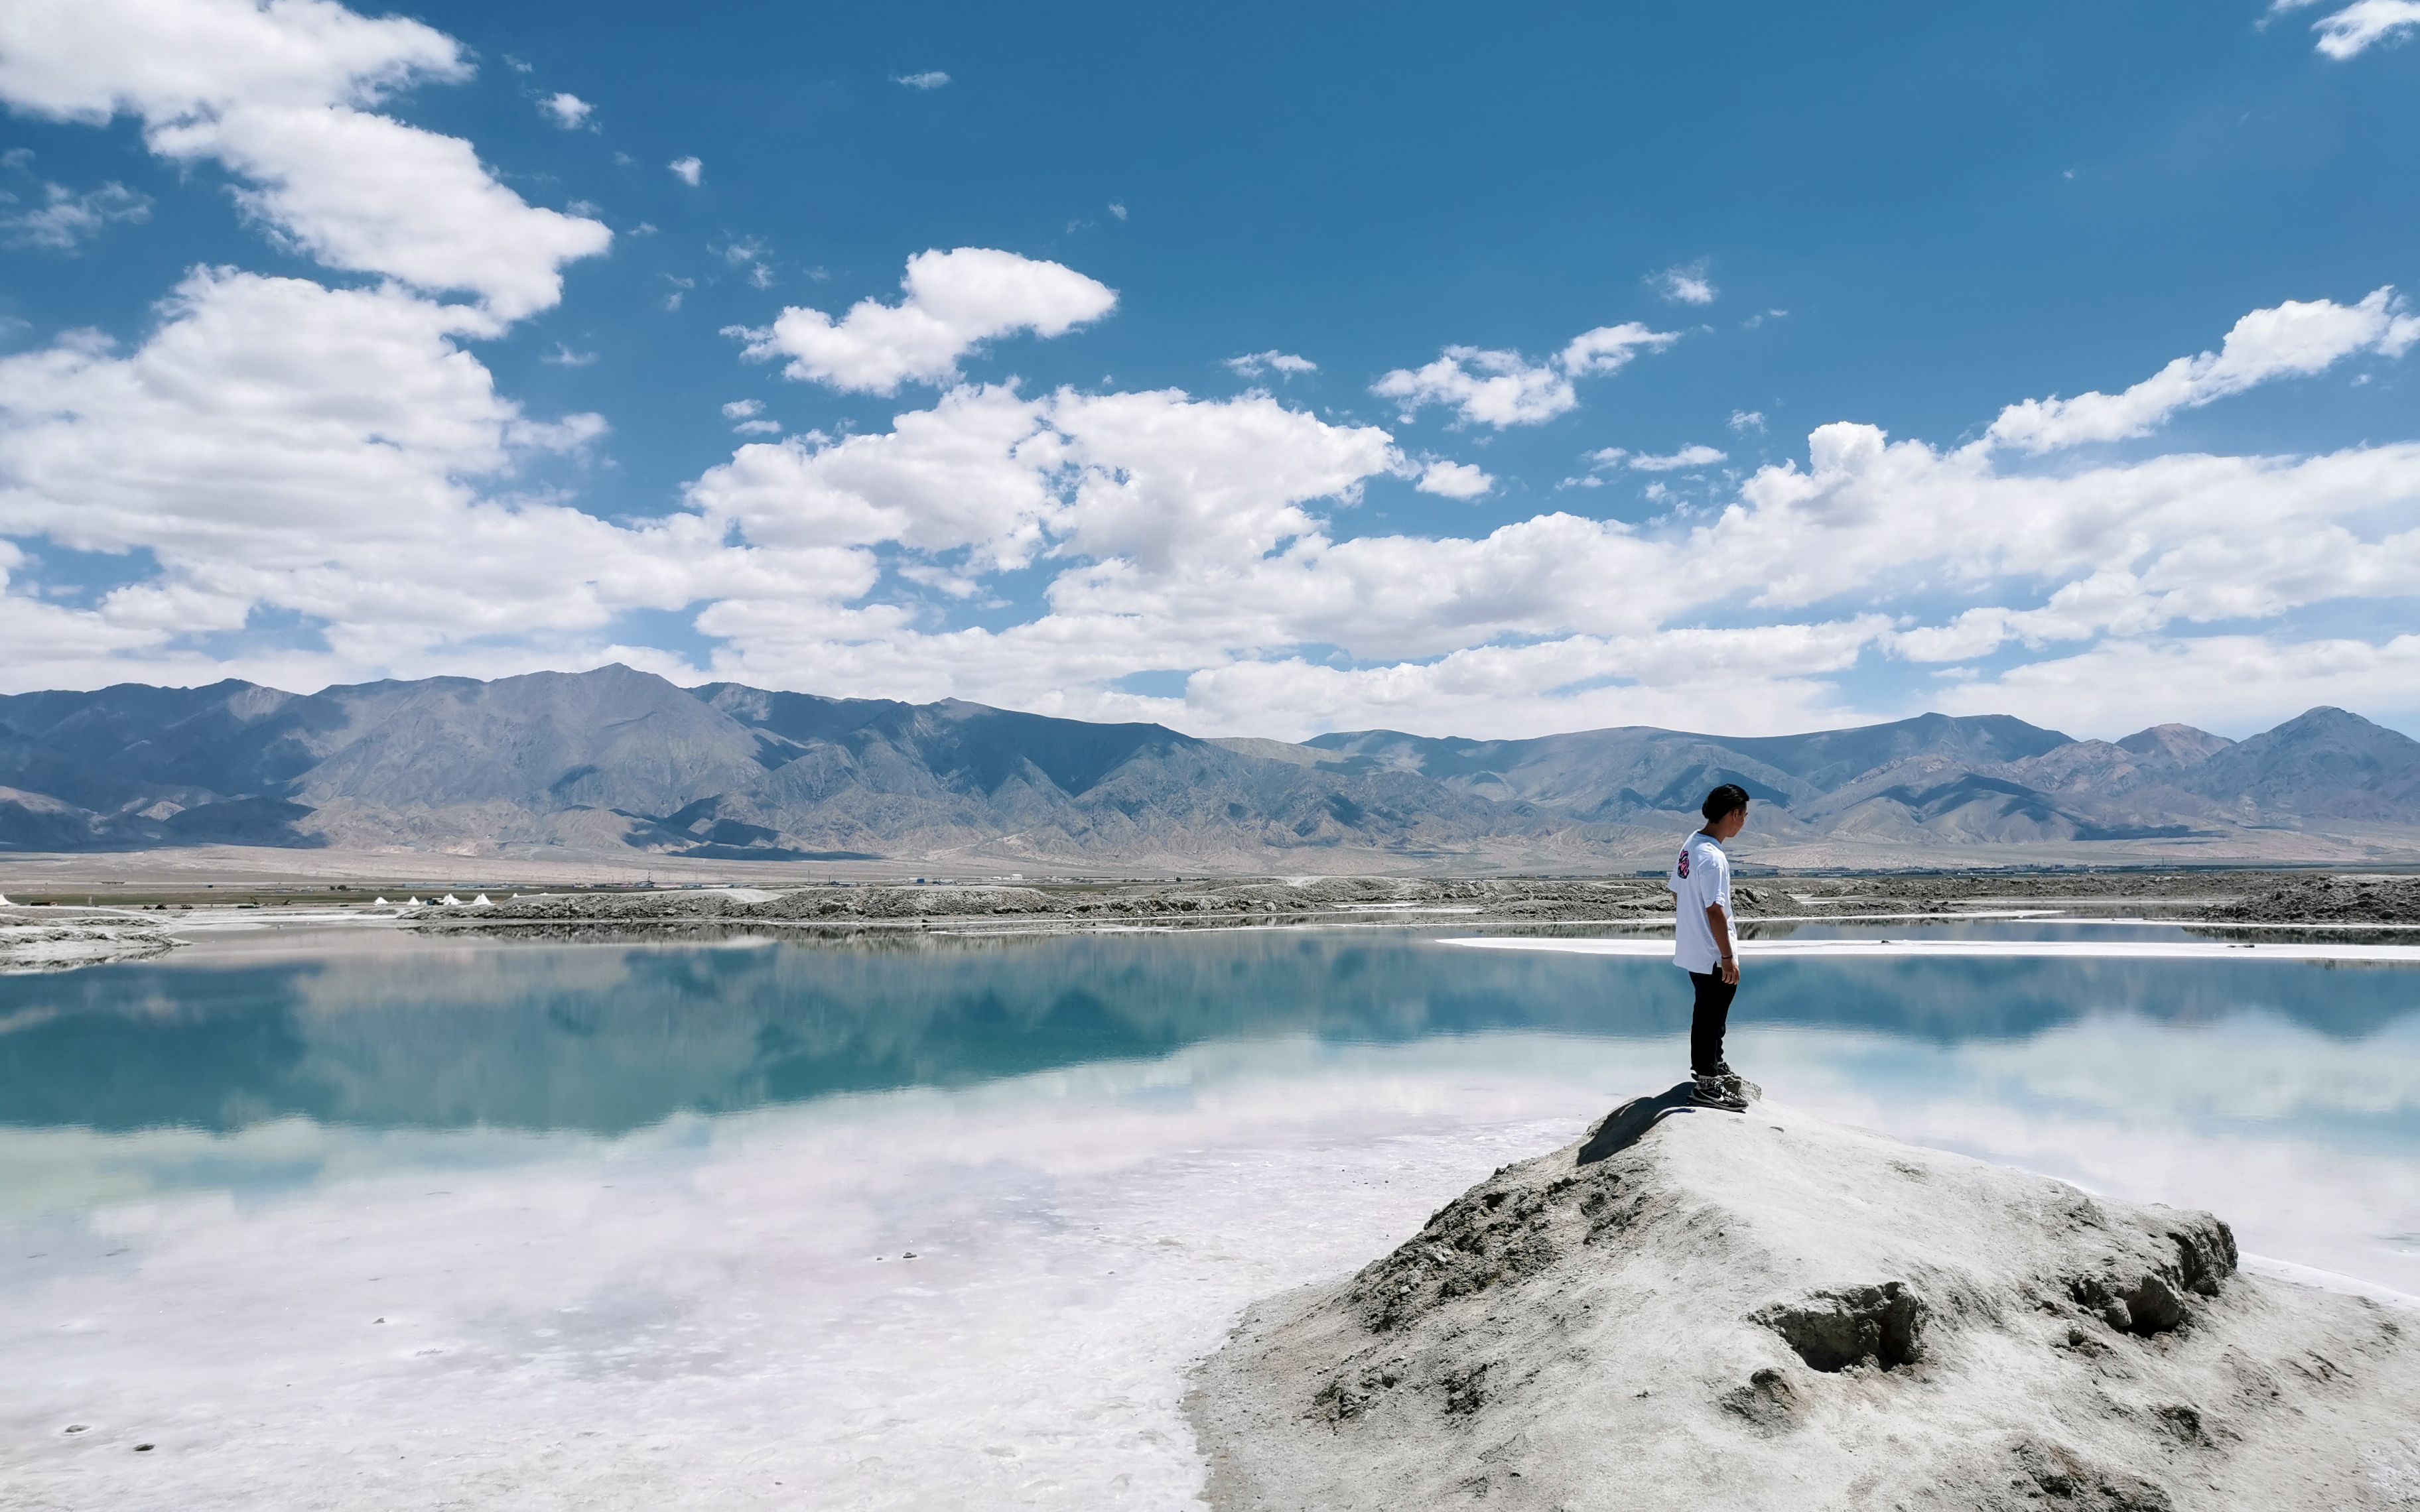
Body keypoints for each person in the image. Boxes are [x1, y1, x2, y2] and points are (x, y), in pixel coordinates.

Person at [1670, 784, 1751, 1110]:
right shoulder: (1713, 857)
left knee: (1708, 1013)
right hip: (1712, 954)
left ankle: (1713, 1069)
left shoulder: (1691, 845)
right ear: (1734, 814)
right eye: (1744, 815)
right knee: (1711, 1017)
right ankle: (1706, 1084)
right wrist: (1727, 956)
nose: (1744, 821)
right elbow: (1715, 910)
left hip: (1694, 951)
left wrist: (1691, 928)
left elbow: (1676, 893)